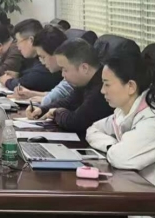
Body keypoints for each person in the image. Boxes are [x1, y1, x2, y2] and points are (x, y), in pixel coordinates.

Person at [86, 52, 155, 186]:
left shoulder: (151, 120)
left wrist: (116, 148)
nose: (102, 90)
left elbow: (120, 158)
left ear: (131, 86)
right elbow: (92, 130)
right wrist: (112, 145)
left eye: (107, 84)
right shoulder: (122, 112)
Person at [26, 38, 116, 136]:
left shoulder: (101, 89)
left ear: (84, 68)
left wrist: (56, 112)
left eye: (65, 69)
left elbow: (76, 122)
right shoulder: (86, 81)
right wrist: (42, 110)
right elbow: (69, 102)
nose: (62, 75)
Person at [13, 25, 75, 107]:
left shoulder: (73, 72)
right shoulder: (66, 71)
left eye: (43, 57)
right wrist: (30, 94)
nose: (42, 62)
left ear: (56, 52)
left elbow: (63, 93)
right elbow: (60, 93)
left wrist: (44, 100)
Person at [0, 19, 63, 92]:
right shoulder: (32, 59)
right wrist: (19, 75)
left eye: (18, 41)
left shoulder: (46, 64)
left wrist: (7, 81)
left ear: (31, 40)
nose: (17, 46)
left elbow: (32, 79)